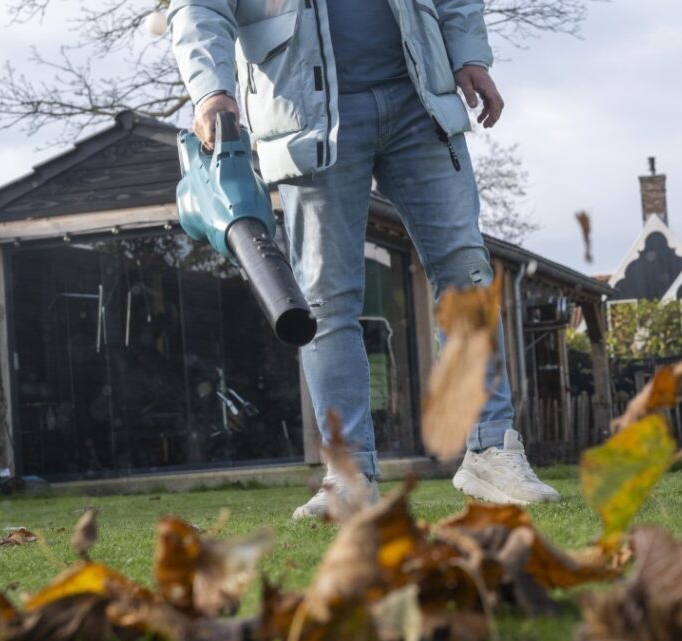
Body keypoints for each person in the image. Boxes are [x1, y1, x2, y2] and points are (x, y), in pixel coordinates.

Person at [167, 0, 561, 519]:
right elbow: (198, 8)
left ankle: (491, 449)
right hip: (307, 115)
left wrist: (469, 54)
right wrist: (211, 90)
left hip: (418, 96)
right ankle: (349, 477)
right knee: (328, 302)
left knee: (466, 272)